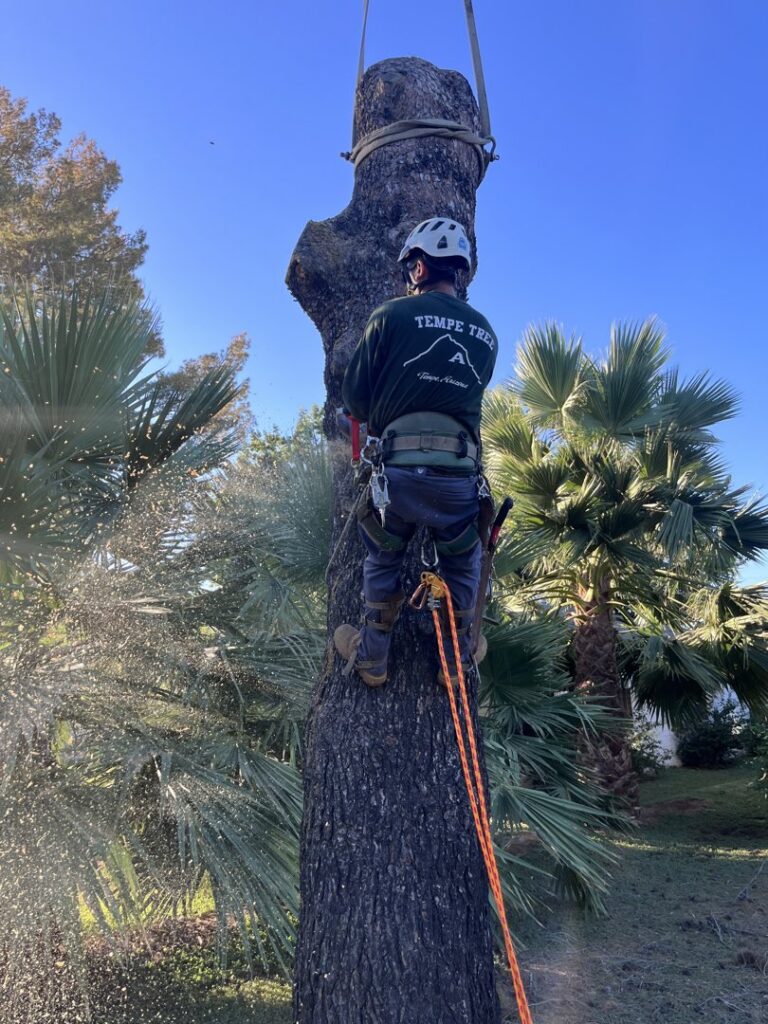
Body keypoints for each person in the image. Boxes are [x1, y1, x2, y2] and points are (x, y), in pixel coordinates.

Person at [334, 216, 498, 687]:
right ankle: (455, 660)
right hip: (457, 481)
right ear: (459, 271)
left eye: (412, 268)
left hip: (399, 477)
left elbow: (357, 402)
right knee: (462, 558)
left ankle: (372, 657)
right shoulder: (485, 334)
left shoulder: (390, 316)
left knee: (384, 554)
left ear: (421, 269)